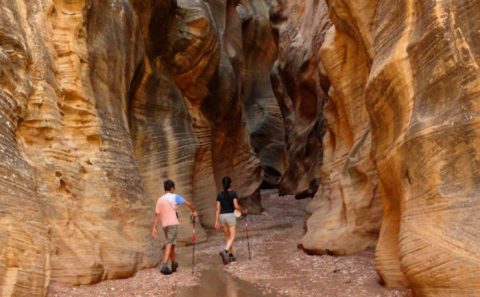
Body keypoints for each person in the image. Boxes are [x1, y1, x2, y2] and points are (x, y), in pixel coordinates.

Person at [152, 179, 197, 275]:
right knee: (169, 243)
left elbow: (157, 215)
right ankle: (164, 265)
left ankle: (173, 264)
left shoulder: (159, 200)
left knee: (171, 243)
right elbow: (188, 204)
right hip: (173, 223)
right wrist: (193, 211)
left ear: (165, 189)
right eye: (173, 188)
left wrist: (154, 227)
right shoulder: (175, 196)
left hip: (164, 225)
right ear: (172, 188)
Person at [215, 176, 245, 264]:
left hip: (222, 217)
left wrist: (216, 221)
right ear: (230, 184)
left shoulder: (219, 194)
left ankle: (231, 256)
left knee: (227, 237)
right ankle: (225, 251)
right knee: (232, 236)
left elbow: (217, 209)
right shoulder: (233, 193)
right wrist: (242, 210)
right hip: (230, 216)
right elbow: (236, 206)